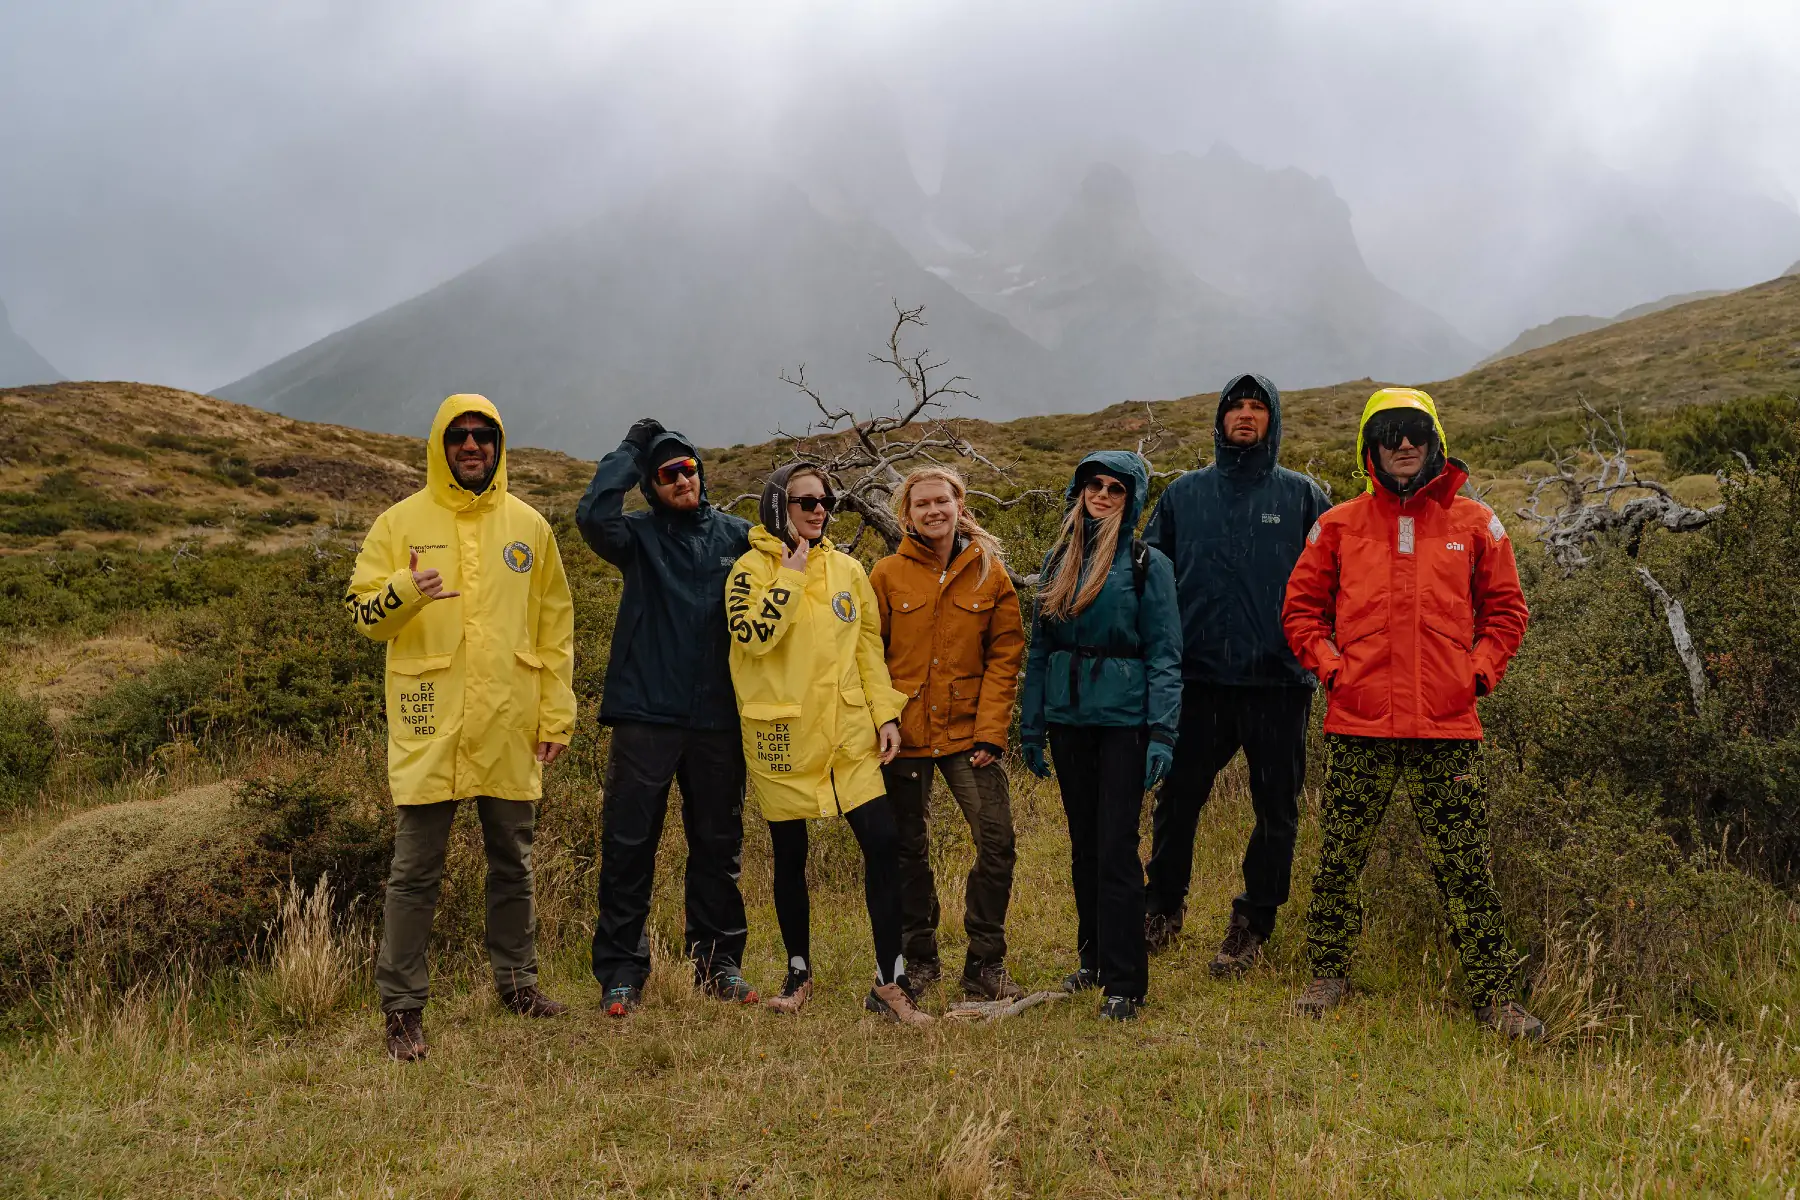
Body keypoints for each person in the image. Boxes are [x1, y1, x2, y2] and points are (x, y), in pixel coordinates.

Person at [1282, 387, 1543, 1039]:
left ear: (1435, 444)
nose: (1404, 444)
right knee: (1340, 857)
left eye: (1416, 434)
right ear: (1371, 447)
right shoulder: (1338, 525)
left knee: (1465, 862)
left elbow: (1508, 612)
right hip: (1359, 723)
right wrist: (1333, 668)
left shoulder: (1477, 524)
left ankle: (1494, 997)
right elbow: (1301, 611)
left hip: (1446, 727)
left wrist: (1477, 672)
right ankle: (1327, 974)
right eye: (1391, 433)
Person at [346, 393, 576, 1063]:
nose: (472, 446)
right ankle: (402, 1009)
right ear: (440, 446)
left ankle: (518, 984)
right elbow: (365, 616)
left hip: (510, 721)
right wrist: (408, 589)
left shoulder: (530, 527)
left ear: (498, 445)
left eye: (483, 436)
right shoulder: (398, 522)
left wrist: (557, 713)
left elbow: (555, 628)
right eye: (459, 436)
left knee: (516, 864)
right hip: (434, 723)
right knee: (414, 872)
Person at [725, 463, 933, 1026]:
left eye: (827, 501)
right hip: (784, 739)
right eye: (806, 501)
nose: (819, 511)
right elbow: (752, 637)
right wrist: (788, 577)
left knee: (883, 844)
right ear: (778, 505)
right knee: (791, 855)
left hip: (848, 738)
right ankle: (798, 974)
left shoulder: (847, 569)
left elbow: (867, 647)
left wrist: (885, 714)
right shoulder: (748, 570)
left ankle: (891, 983)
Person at [1140, 374, 1331, 974]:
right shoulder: (1183, 496)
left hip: (1278, 681)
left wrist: (1324, 652)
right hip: (1198, 681)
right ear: (1219, 420)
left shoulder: (1303, 496)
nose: (1245, 416)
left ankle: (1253, 923)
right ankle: (1162, 907)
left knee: (1276, 808)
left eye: (1257, 407)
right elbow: (1148, 576)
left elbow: (1340, 578)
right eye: (1236, 407)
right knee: (1177, 800)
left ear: (1273, 419)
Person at [576, 418, 757, 1018]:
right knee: (629, 845)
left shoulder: (739, 536)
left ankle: (717, 965)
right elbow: (591, 517)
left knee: (718, 844)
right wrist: (629, 451)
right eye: (667, 473)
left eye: (688, 468)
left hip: (718, 719)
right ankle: (622, 973)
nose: (682, 478)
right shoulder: (636, 537)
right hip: (645, 715)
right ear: (650, 486)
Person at [1019, 451, 1182, 1021]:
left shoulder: (1145, 563)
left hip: (1124, 723)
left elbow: (1164, 653)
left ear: (1131, 497)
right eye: (1095, 485)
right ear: (1080, 489)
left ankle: (1125, 981)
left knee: (1116, 848)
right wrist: (1032, 724)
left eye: (1116, 488)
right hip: (1068, 720)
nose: (1104, 495)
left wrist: (1162, 732)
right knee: (1084, 843)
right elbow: (1039, 648)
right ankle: (1092, 959)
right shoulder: (1060, 557)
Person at [869, 466, 1027, 1001]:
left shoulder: (990, 572)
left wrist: (991, 732)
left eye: (943, 501)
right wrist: (883, 720)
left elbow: (1005, 657)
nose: (934, 511)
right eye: (922, 504)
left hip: (969, 737)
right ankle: (919, 957)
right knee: (906, 848)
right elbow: (869, 655)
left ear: (960, 505)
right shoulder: (887, 574)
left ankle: (984, 962)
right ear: (906, 514)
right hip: (905, 735)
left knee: (997, 842)